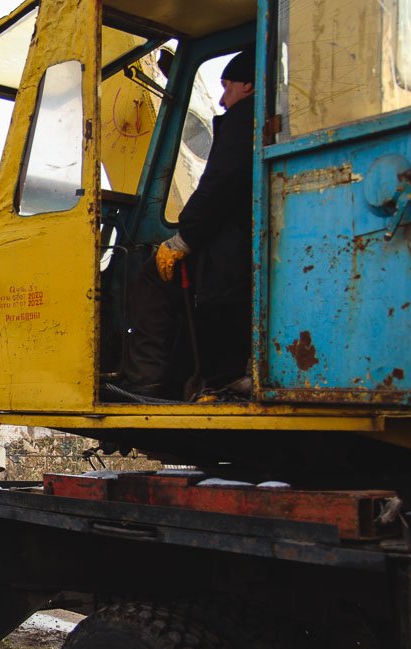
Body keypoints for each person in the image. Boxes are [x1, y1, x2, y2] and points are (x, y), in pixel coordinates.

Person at [117, 50, 255, 400]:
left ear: (249, 85)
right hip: (247, 246)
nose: (223, 99)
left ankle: (145, 381)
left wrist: (185, 238)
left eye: (228, 87)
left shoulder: (244, 119)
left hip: (233, 250)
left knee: (154, 276)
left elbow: (220, 184)